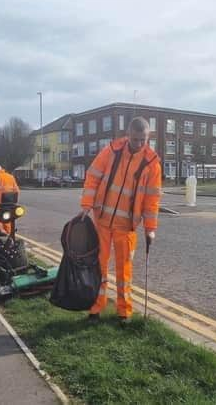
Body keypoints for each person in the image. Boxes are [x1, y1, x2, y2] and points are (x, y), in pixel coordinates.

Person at [78, 116, 162, 325]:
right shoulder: (111, 151)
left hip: (127, 227)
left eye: (143, 140)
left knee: (124, 271)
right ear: (128, 135)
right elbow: (93, 176)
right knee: (100, 267)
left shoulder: (152, 164)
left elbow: (152, 198)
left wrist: (150, 228)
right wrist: (87, 205)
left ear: (148, 137)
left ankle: (124, 312)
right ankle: (95, 309)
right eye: (135, 139)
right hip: (103, 221)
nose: (139, 144)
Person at [0, 164, 20, 239]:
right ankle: (9, 233)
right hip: (10, 202)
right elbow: (16, 190)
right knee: (8, 217)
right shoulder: (10, 176)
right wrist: (14, 201)